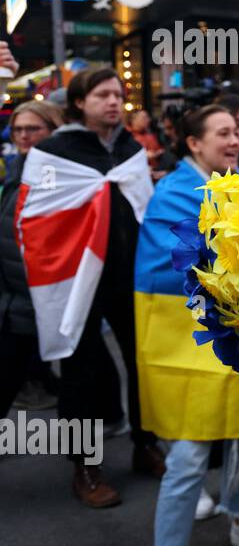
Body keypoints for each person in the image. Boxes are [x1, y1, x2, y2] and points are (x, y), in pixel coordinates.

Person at [136, 104, 239, 546]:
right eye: (223, 132)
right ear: (194, 144)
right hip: (189, 339)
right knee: (189, 457)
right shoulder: (173, 191)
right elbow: (169, 269)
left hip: (236, 330)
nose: (236, 139)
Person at [20, 67, 165, 507]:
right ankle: (84, 467)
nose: (113, 101)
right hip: (77, 278)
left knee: (143, 361)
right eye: (102, 94)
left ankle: (145, 443)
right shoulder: (52, 151)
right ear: (79, 102)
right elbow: (34, 217)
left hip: (130, 275)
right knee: (79, 373)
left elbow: (143, 206)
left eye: (118, 94)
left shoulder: (128, 148)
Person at [1, 101, 64, 416]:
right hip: (14, 293)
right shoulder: (19, 165)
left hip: (40, 291)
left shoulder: (60, 173)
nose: (23, 136)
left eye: (32, 129)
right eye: (18, 129)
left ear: (53, 130)